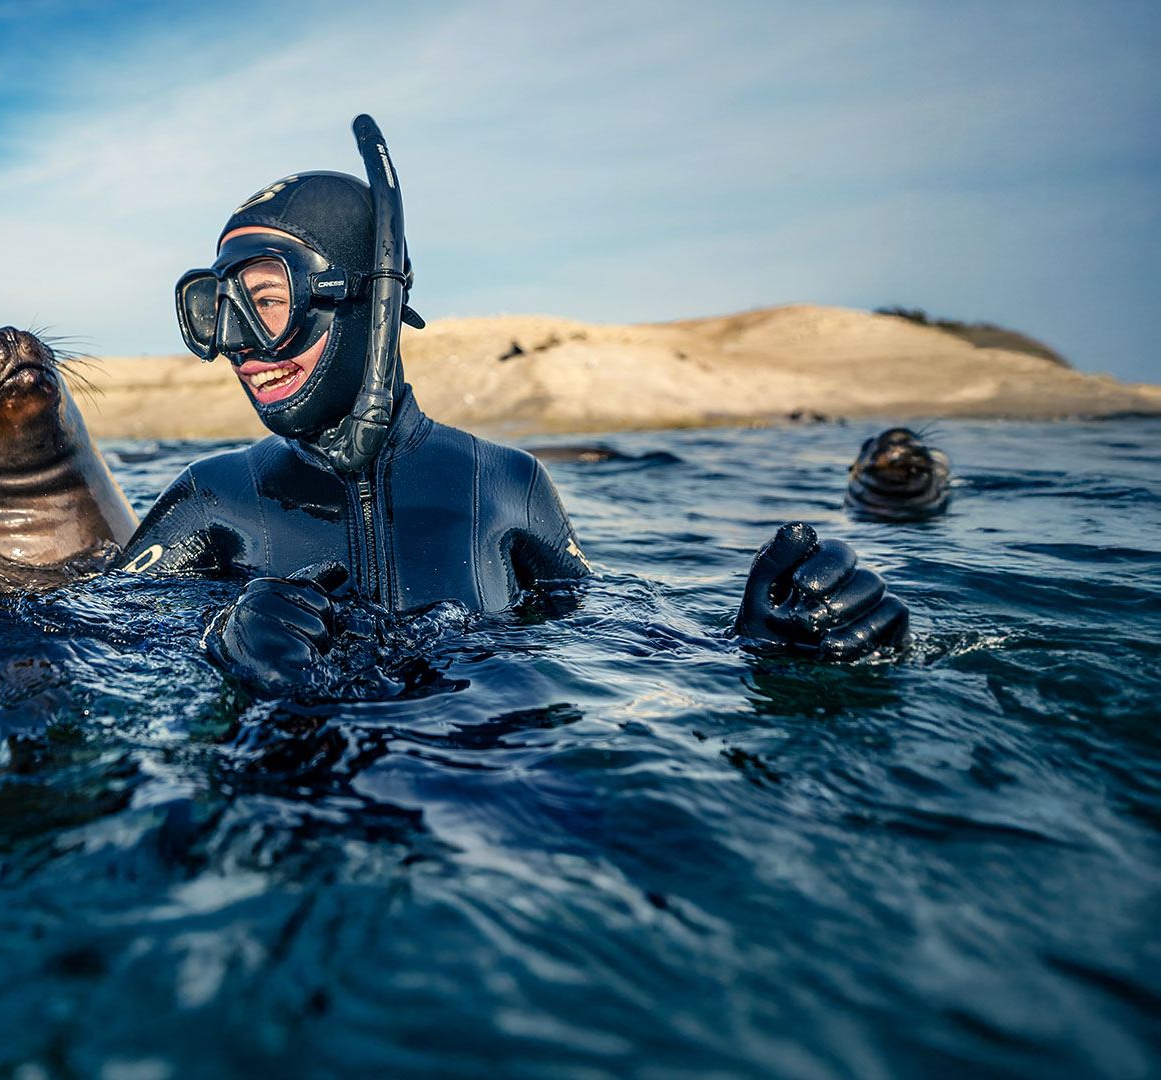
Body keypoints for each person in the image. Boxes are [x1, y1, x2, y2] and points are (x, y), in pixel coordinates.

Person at [115, 116, 908, 692]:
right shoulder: (213, 496)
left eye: (264, 299)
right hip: (300, 805)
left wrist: (763, 645)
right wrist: (217, 641)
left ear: (372, 298)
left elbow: (608, 643)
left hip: (494, 793)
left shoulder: (507, 483)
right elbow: (84, 645)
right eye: (212, 314)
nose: (239, 345)